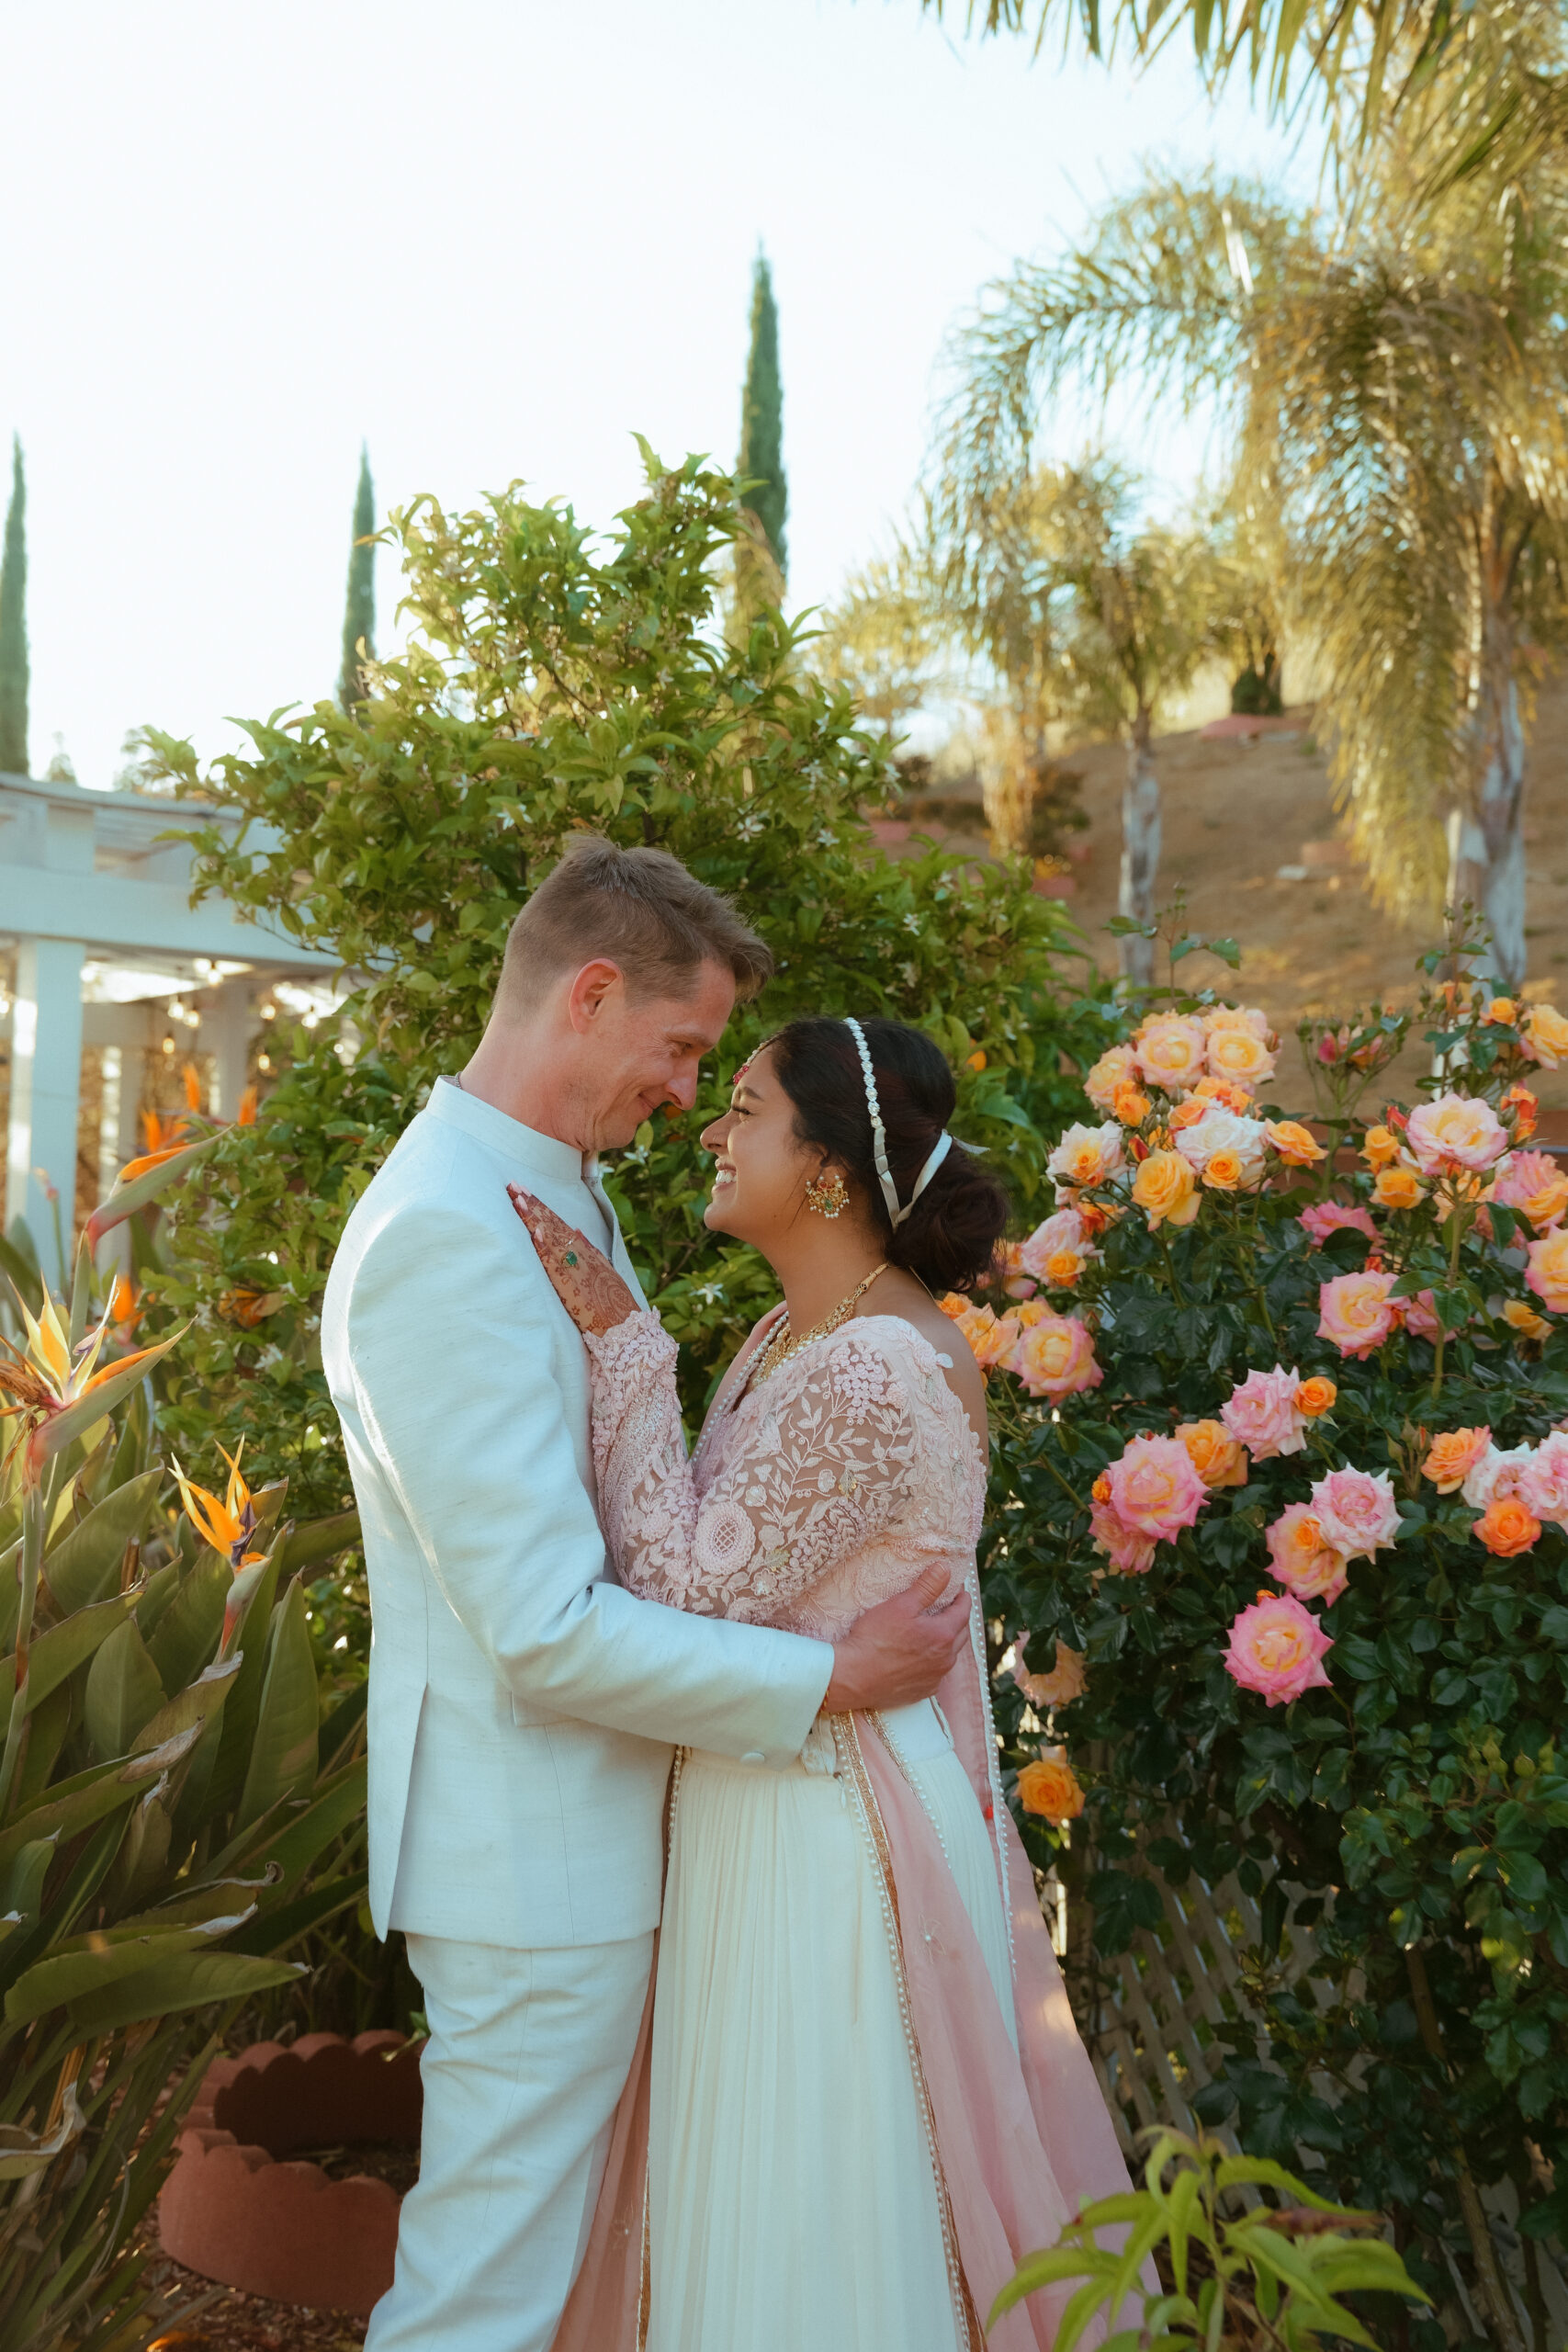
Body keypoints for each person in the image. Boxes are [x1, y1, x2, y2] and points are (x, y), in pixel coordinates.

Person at [321, 837, 969, 2352]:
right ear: (592, 995)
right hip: (532, 1857)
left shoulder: (551, 1201)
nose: (687, 1093)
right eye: (681, 1049)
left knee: (539, 2284)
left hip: (588, 1840)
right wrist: (825, 1683)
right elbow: (544, 1624)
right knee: (487, 2296)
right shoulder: (449, 1235)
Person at [515, 1012, 1134, 2352]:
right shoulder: (795, 1336)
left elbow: (679, 1583)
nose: (713, 1129)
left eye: (743, 1108)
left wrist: (625, 1345)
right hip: (773, 1786)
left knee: (807, 2198)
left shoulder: (870, 1364)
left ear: (829, 1172)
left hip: (831, 1827)